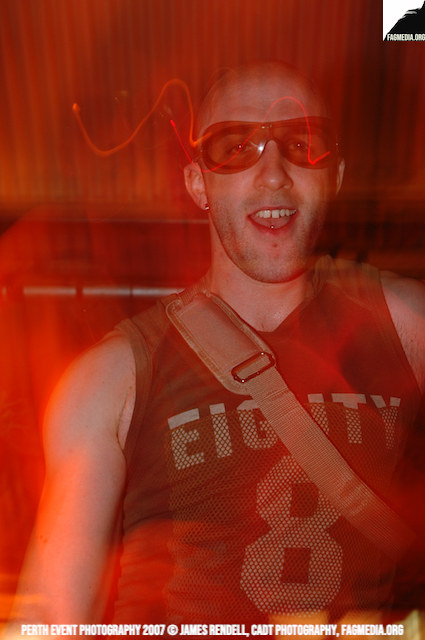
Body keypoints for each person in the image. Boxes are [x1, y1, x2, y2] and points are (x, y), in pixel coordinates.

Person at [9, 60, 425, 631]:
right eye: (235, 147)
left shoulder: (406, 325)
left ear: (335, 175)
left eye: (301, 144)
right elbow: (55, 617)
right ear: (197, 183)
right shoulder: (114, 376)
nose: (274, 175)